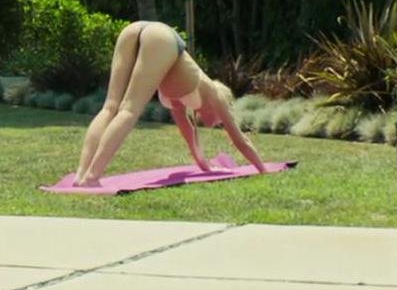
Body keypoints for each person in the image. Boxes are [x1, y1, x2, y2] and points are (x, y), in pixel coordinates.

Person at [72, 20, 267, 187]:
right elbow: (240, 140)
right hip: (161, 37)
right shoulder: (216, 95)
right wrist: (264, 170)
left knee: (110, 107)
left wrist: (203, 164)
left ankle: (81, 176)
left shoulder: (181, 102)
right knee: (128, 110)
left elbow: (188, 133)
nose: (218, 123)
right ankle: (90, 177)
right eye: (220, 122)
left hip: (135, 30)